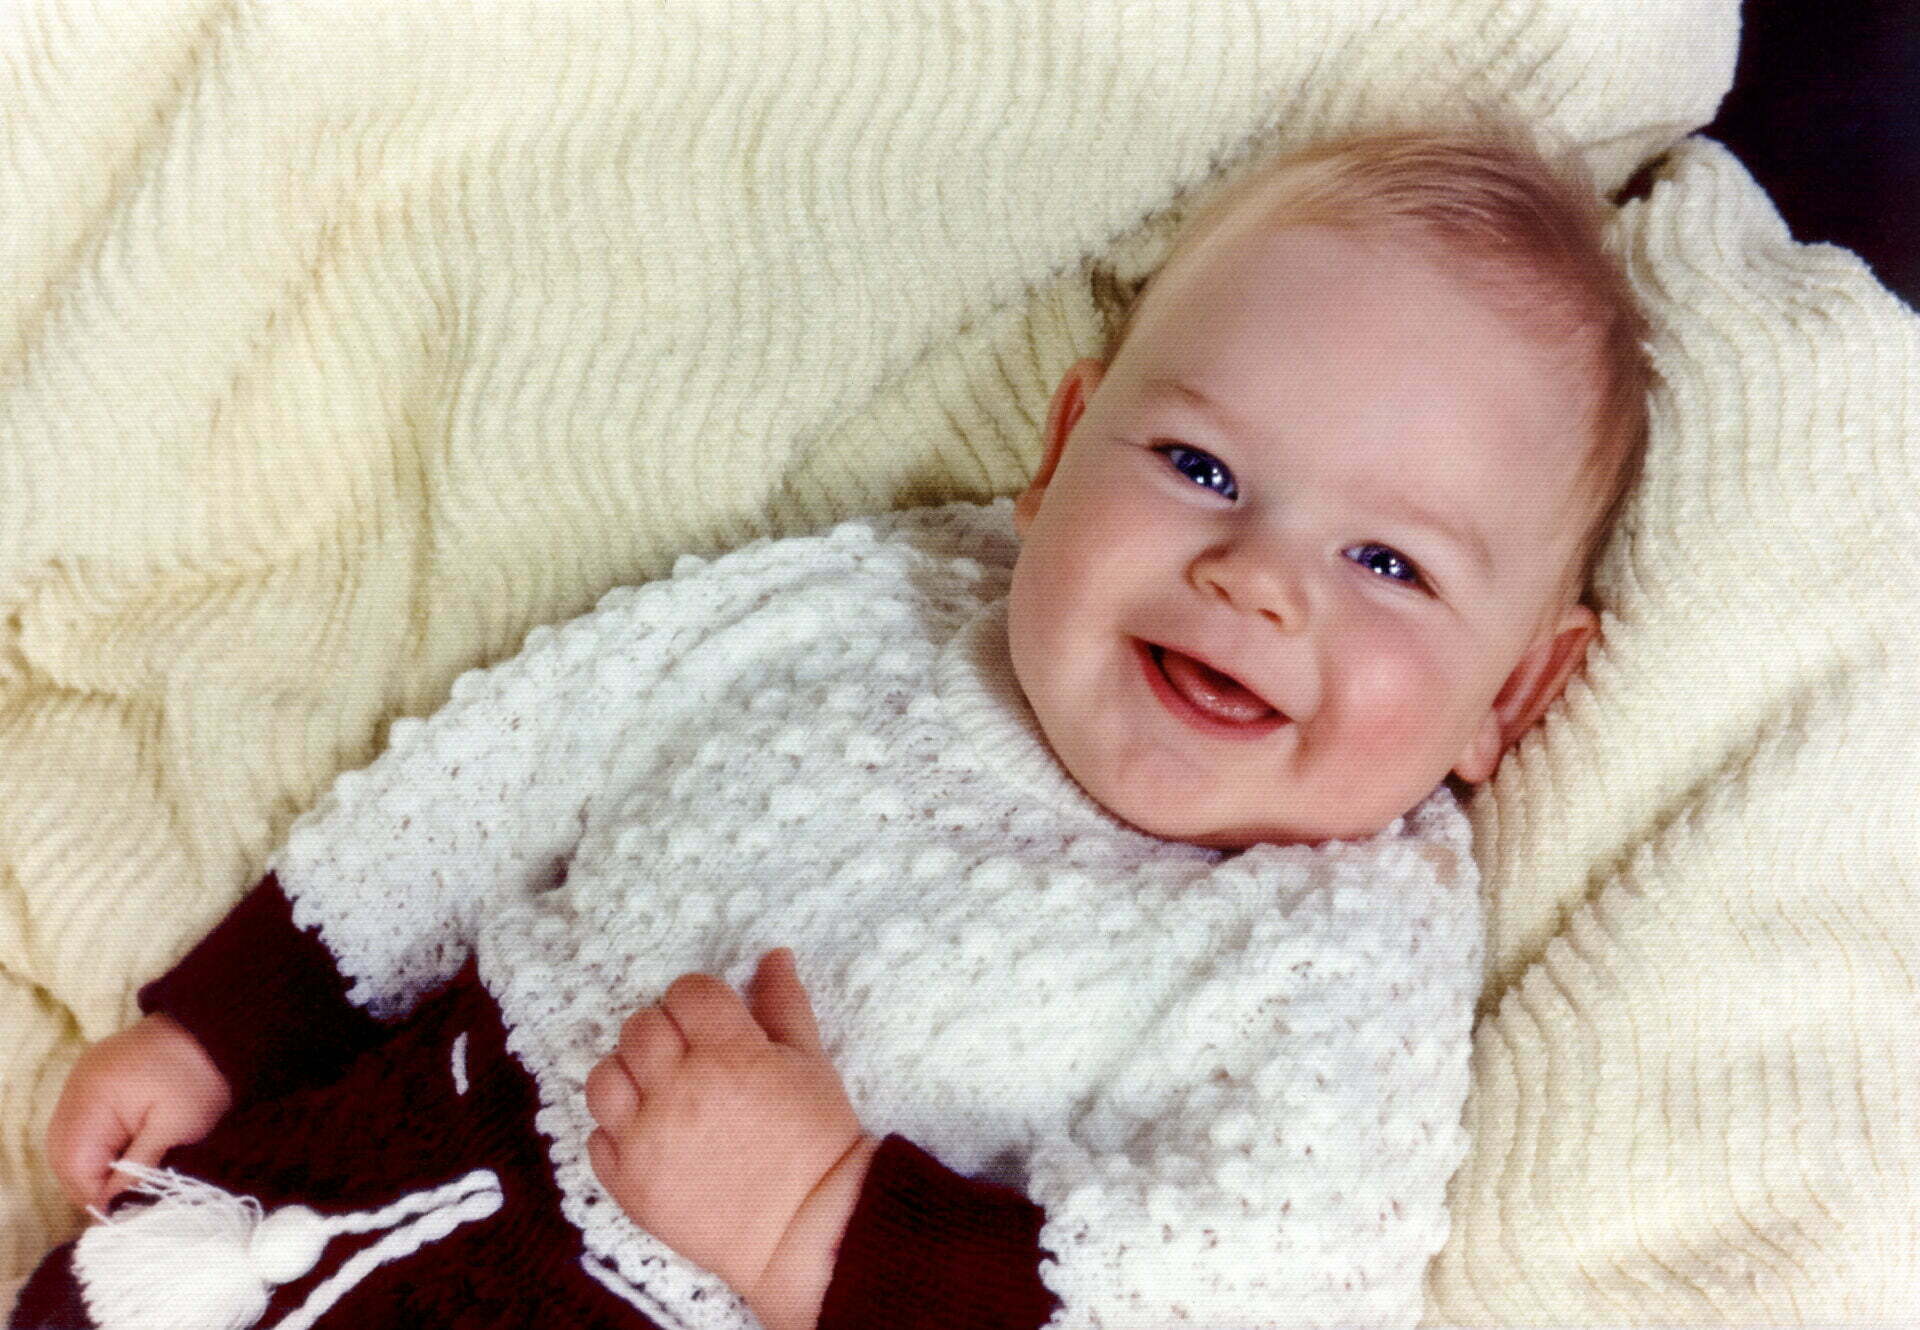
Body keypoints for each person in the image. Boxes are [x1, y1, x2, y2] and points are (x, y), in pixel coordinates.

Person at [14, 120, 1650, 1330]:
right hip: (378, 1159)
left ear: (1509, 695)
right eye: (1200, 469)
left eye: (1386, 562)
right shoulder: (888, 597)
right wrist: (233, 1023)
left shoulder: (1344, 942)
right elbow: (520, 758)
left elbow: (1253, 1287)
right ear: (1065, 444)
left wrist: (825, 1221)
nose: (1258, 579)